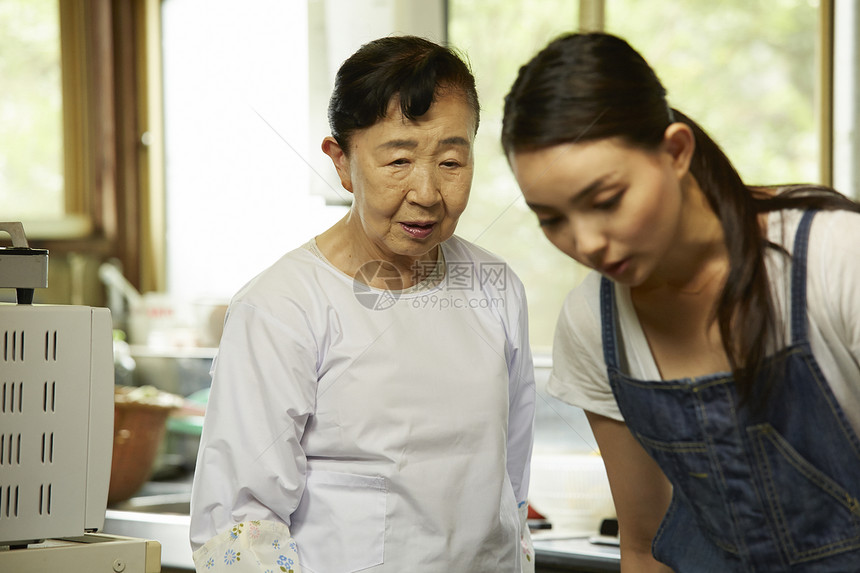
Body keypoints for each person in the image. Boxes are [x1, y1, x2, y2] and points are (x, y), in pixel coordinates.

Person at [501, 32, 860, 573]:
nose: (587, 243)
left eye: (606, 200)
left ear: (676, 151)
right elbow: (644, 548)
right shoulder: (593, 325)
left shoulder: (837, 259)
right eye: (552, 219)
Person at [189, 35, 536, 573]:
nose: (426, 191)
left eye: (450, 161)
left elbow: (511, 487)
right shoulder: (283, 306)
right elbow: (239, 527)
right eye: (398, 159)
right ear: (342, 161)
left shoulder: (496, 287)